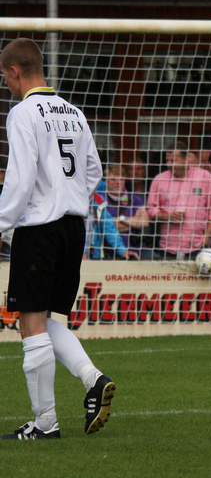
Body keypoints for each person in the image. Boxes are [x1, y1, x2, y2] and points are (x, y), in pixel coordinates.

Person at [0, 37, 115, 440]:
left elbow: (20, 179)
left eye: (5, 77)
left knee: (30, 323)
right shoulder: (74, 112)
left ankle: (45, 423)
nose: (6, 84)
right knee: (44, 318)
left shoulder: (22, 112)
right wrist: (69, 199)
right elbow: (94, 170)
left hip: (40, 228)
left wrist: (3, 222)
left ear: (15, 71)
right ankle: (93, 379)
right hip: (73, 227)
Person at [146, 140, 211, 260]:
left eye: (173, 160)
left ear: (186, 159)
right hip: (168, 247)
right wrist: (168, 217)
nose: (169, 164)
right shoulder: (159, 180)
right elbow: (151, 210)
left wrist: (206, 238)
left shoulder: (204, 177)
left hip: (198, 247)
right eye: (167, 160)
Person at [90, 163, 150, 259]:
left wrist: (120, 219)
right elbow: (106, 227)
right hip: (110, 252)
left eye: (121, 179)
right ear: (105, 181)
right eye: (113, 179)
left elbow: (145, 222)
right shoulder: (100, 200)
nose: (117, 182)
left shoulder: (135, 199)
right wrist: (133, 223)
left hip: (138, 249)